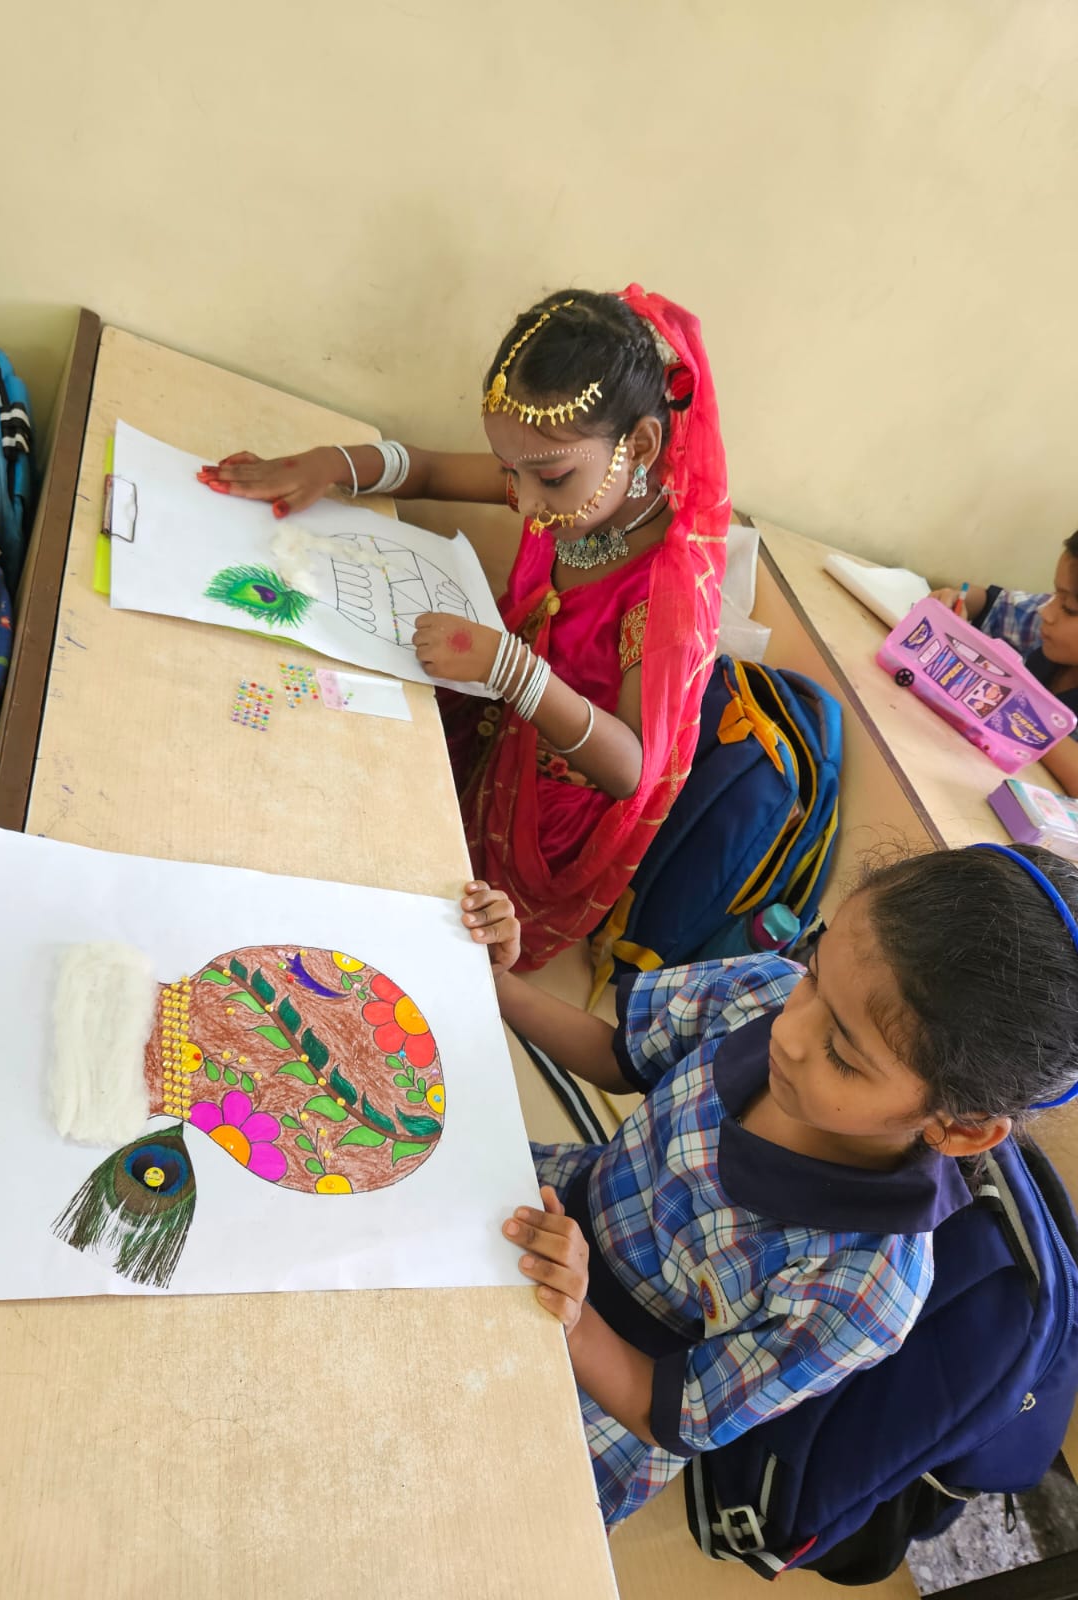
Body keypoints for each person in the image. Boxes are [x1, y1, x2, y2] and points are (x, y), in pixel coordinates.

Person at [490, 844, 1078, 1526]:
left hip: (598, 1384)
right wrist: (494, 981)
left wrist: (573, 1314)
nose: (791, 1034)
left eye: (842, 1055)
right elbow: (618, 1057)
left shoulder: (865, 1287)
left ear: (961, 1129)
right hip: (545, 1205)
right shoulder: (766, 990)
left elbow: (668, 1413)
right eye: (815, 977)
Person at [198, 287, 729, 968]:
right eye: (511, 473)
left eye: (550, 479)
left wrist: (510, 668)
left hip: (541, 816)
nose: (526, 503)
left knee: (424, 935)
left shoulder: (666, 594)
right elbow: (428, 470)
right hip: (486, 716)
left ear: (641, 445)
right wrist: (331, 464)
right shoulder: (563, 484)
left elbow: (631, 769)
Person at [931, 530, 1078, 793]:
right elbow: (993, 604)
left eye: (1068, 607)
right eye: (1056, 594)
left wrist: (1014, 708)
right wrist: (958, 598)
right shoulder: (1048, 623)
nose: (1047, 612)